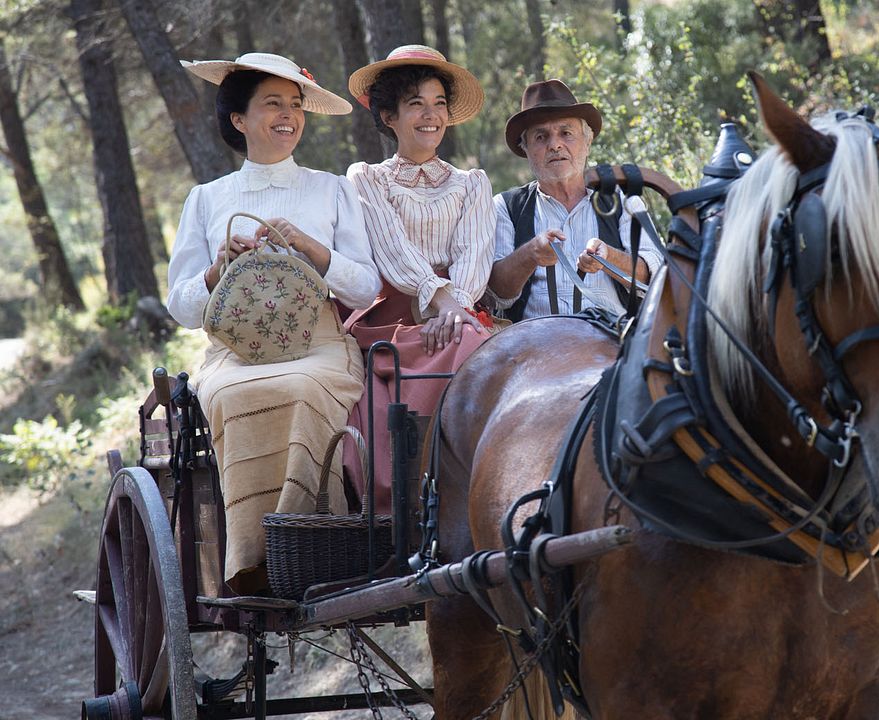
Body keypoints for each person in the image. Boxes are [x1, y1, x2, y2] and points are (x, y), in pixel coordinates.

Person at [167, 52, 381, 594]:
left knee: (305, 387)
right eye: (272, 104)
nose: (288, 116)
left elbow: (366, 287)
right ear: (239, 119)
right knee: (234, 395)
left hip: (320, 344)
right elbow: (183, 307)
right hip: (234, 352)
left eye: (295, 105)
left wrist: (312, 249)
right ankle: (252, 558)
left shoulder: (331, 188)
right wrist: (218, 269)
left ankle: (306, 544)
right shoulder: (208, 199)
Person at [343, 45, 494, 498]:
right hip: (393, 315)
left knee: (474, 345)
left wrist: (456, 307)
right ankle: (408, 493)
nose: (431, 115)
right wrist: (438, 299)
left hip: (458, 312)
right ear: (388, 116)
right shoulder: (368, 178)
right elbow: (392, 249)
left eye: (439, 103)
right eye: (416, 104)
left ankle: (476, 483)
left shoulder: (472, 183)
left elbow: (475, 252)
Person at [486, 79, 663, 321]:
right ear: (525, 149)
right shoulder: (506, 207)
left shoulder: (621, 202)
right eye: (540, 137)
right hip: (534, 348)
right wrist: (531, 254)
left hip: (613, 342)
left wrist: (609, 258)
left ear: (587, 142)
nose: (555, 144)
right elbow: (495, 293)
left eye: (566, 133)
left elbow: (653, 275)